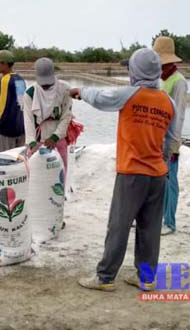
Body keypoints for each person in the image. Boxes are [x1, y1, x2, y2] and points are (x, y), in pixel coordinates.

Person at [70, 48, 177, 292]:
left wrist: (78, 92)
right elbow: (170, 141)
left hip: (132, 173)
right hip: (158, 174)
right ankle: (146, 278)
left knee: (119, 225)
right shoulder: (168, 102)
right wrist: (162, 163)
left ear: (136, 70)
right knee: (150, 229)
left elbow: (100, 98)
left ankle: (105, 278)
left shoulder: (130, 95)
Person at [153, 36, 187, 236]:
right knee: (159, 182)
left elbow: (179, 116)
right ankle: (157, 219)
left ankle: (170, 222)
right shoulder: (161, 80)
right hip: (157, 140)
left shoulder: (179, 82)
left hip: (170, 141)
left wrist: (173, 145)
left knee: (170, 182)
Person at [22, 57, 73, 171]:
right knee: (36, 174)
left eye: (48, 82)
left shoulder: (64, 89)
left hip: (58, 139)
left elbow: (66, 116)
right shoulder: (30, 93)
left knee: (60, 172)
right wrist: (31, 142)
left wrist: (55, 137)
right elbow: (28, 120)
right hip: (37, 140)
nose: (45, 85)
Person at [0, 50, 27, 153]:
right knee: (19, 160)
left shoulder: (5, 80)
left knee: (5, 160)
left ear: (5, 64)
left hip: (7, 129)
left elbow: (3, 107)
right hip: (21, 128)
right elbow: (22, 104)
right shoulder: (20, 79)